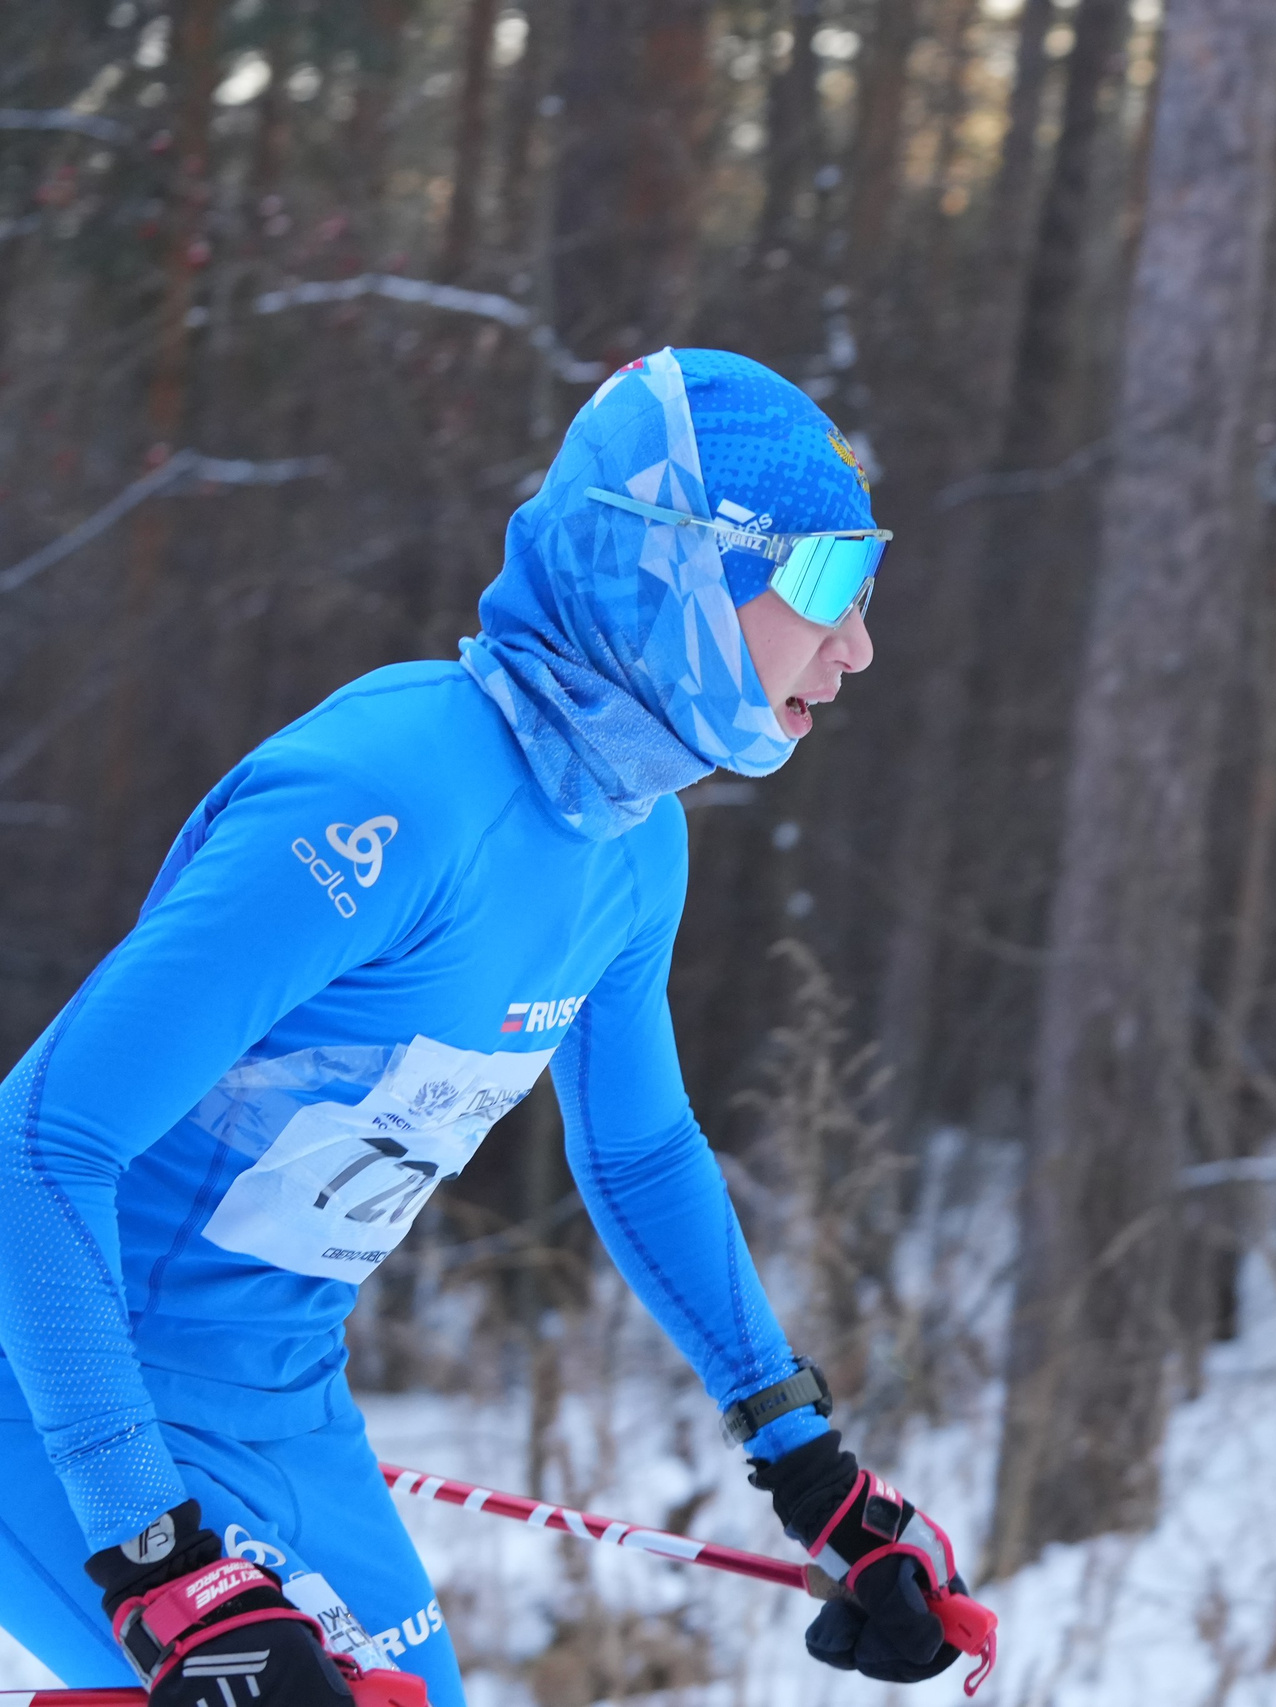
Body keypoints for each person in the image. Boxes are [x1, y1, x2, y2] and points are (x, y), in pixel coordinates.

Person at [0, 349, 973, 1707]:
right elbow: (40, 1145)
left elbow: (638, 1154)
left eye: (869, 591)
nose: (858, 641)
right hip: (62, 1378)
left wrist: (810, 1468)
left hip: (285, 1399)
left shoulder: (636, 850)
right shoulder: (393, 792)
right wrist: (154, 1554)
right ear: (670, 571)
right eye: (823, 581)